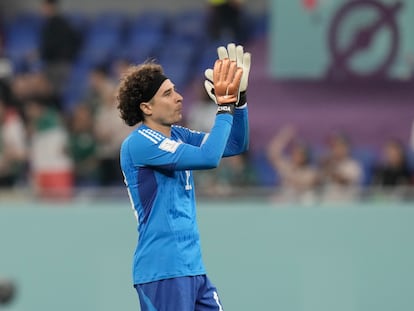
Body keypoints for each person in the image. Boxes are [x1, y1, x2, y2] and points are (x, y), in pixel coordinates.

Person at [117, 43, 250, 310]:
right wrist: (223, 107)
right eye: (167, 93)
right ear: (147, 107)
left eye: (175, 90)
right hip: (162, 270)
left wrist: (239, 100)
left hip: (192, 268)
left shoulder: (179, 135)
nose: (179, 97)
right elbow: (208, 158)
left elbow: (235, 145)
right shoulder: (138, 144)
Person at [267, 125, 320, 204]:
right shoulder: (287, 165)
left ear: (305, 156)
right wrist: (285, 136)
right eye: (295, 153)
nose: (297, 156)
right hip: (286, 202)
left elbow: (304, 183)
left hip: (301, 204)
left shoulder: (310, 171)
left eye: (300, 154)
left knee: (309, 199)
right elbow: (272, 152)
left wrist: (290, 175)